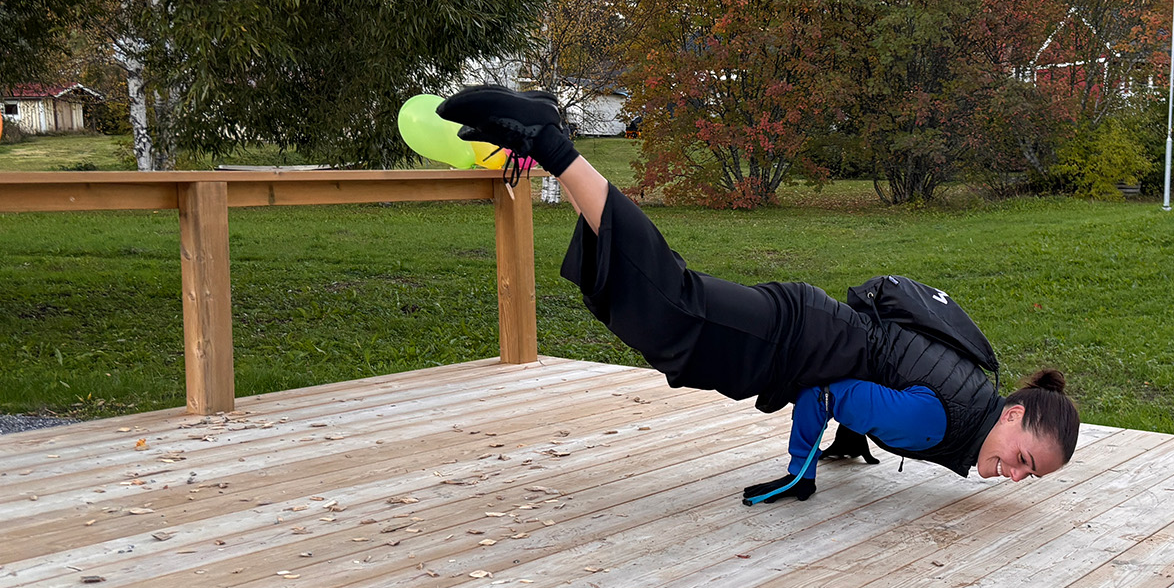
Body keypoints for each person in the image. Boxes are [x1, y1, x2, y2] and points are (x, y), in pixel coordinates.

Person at [437, 86, 1080, 504]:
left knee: (667, 316)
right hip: (796, 346)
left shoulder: (974, 399)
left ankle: (544, 142)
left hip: (815, 328)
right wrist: (801, 470)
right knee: (672, 308)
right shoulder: (948, 422)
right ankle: (550, 140)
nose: (1015, 477)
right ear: (1014, 415)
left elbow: (886, 374)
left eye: (1032, 476)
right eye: (1023, 459)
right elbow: (835, 393)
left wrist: (853, 439)